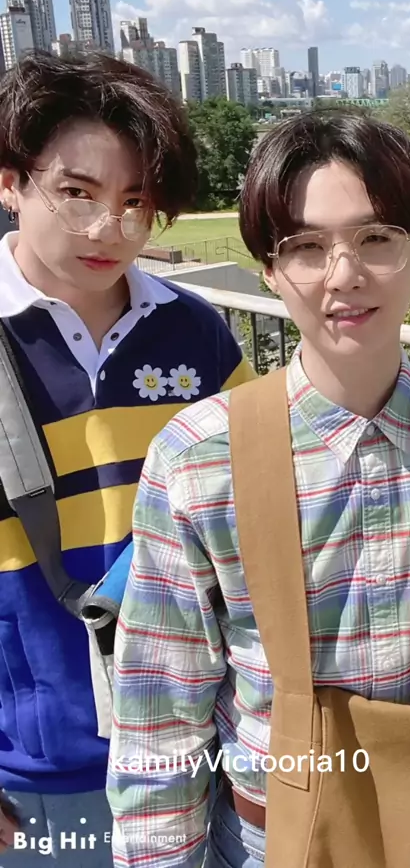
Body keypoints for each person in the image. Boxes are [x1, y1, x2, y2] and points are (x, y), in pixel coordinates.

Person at [107, 110, 410, 867]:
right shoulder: (203, 457)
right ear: (270, 272)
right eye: (307, 247)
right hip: (270, 836)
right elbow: (161, 719)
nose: (344, 275)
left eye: (376, 239)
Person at [0, 50, 255, 865]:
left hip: (193, 749)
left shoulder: (197, 334)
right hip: (34, 779)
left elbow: (254, 517)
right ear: (11, 182)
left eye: (136, 202)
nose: (109, 229)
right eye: (77, 193)